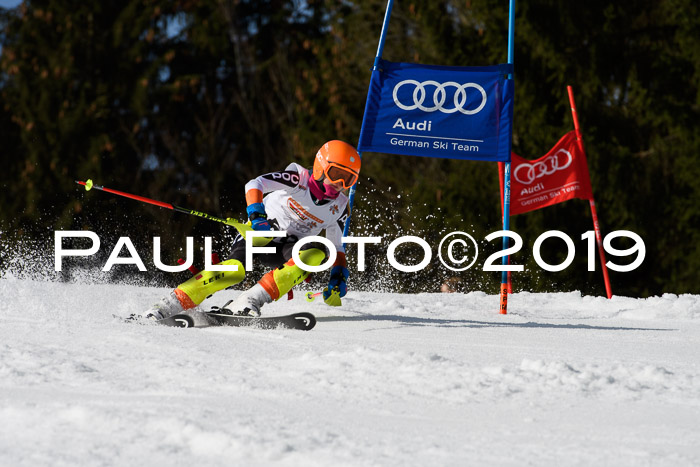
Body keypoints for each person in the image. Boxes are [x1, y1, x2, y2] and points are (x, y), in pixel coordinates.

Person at [142, 140, 361, 320]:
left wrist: (338, 276)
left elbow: (336, 245)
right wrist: (258, 217)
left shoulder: (339, 206)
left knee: (316, 254)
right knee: (234, 271)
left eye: (348, 179)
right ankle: (166, 306)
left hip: (288, 250)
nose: (340, 183)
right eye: (336, 174)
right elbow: (255, 184)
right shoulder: (298, 179)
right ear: (322, 166)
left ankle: (249, 300)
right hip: (260, 235)